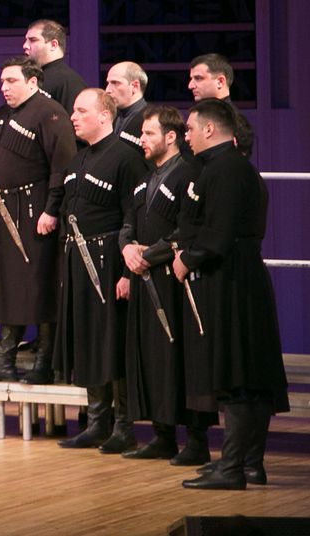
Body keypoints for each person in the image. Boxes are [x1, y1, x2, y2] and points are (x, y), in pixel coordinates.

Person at [175, 98, 288, 490]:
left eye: (190, 129)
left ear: (209, 129)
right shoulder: (230, 167)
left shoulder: (225, 169)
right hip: (240, 277)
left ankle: (235, 467)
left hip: (231, 281)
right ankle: (248, 464)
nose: (185, 136)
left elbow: (217, 234)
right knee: (246, 375)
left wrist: (187, 259)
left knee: (239, 375)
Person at [49, 88, 148, 452]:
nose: (73, 117)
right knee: (88, 339)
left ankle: (123, 426)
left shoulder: (127, 158)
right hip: (77, 259)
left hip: (110, 262)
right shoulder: (77, 160)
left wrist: (127, 272)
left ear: (105, 115)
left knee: (112, 341)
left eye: (81, 111)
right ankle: (96, 421)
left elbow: (133, 217)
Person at [0, 58, 76, 384]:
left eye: (11, 81)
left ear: (32, 82)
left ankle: (45, 362)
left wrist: (51, 209)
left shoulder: (50, 113)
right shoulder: (2, 115)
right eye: (2, 81)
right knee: (7, 285)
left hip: (35, 211)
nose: (4, 87)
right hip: (3, 210)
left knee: (39, 284)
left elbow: (62, 166)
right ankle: (5, 358)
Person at [118, 105, 211, 466]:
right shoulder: (143, 176)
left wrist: (152, 254)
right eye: (141, 134)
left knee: (182, 357)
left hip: (173, 278)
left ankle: (198, 439)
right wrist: (127, 249)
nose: (142, 140)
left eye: (149, 134)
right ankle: (162, 434)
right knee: (153, 356)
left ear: (170, 137)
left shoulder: (189, 172)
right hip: (143, 278)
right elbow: (127, 220)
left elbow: (187, 228)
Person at [186, 53, 254, 157]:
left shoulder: (235, 121)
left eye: (198, 78)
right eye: (191, 79)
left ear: (220, 82)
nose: (190, 86)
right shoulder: (199, 115)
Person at [23, 19, 84, 112]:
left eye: (33, 40)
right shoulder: (34, 78)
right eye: (26, 40)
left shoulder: (69, 81)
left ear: (53, 45)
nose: (25, 45)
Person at [105, 62, 150, 148]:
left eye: (115, 83)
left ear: (135, 86)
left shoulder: (153, 119)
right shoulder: (110, 118)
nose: (108, 90)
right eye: (108, 83)